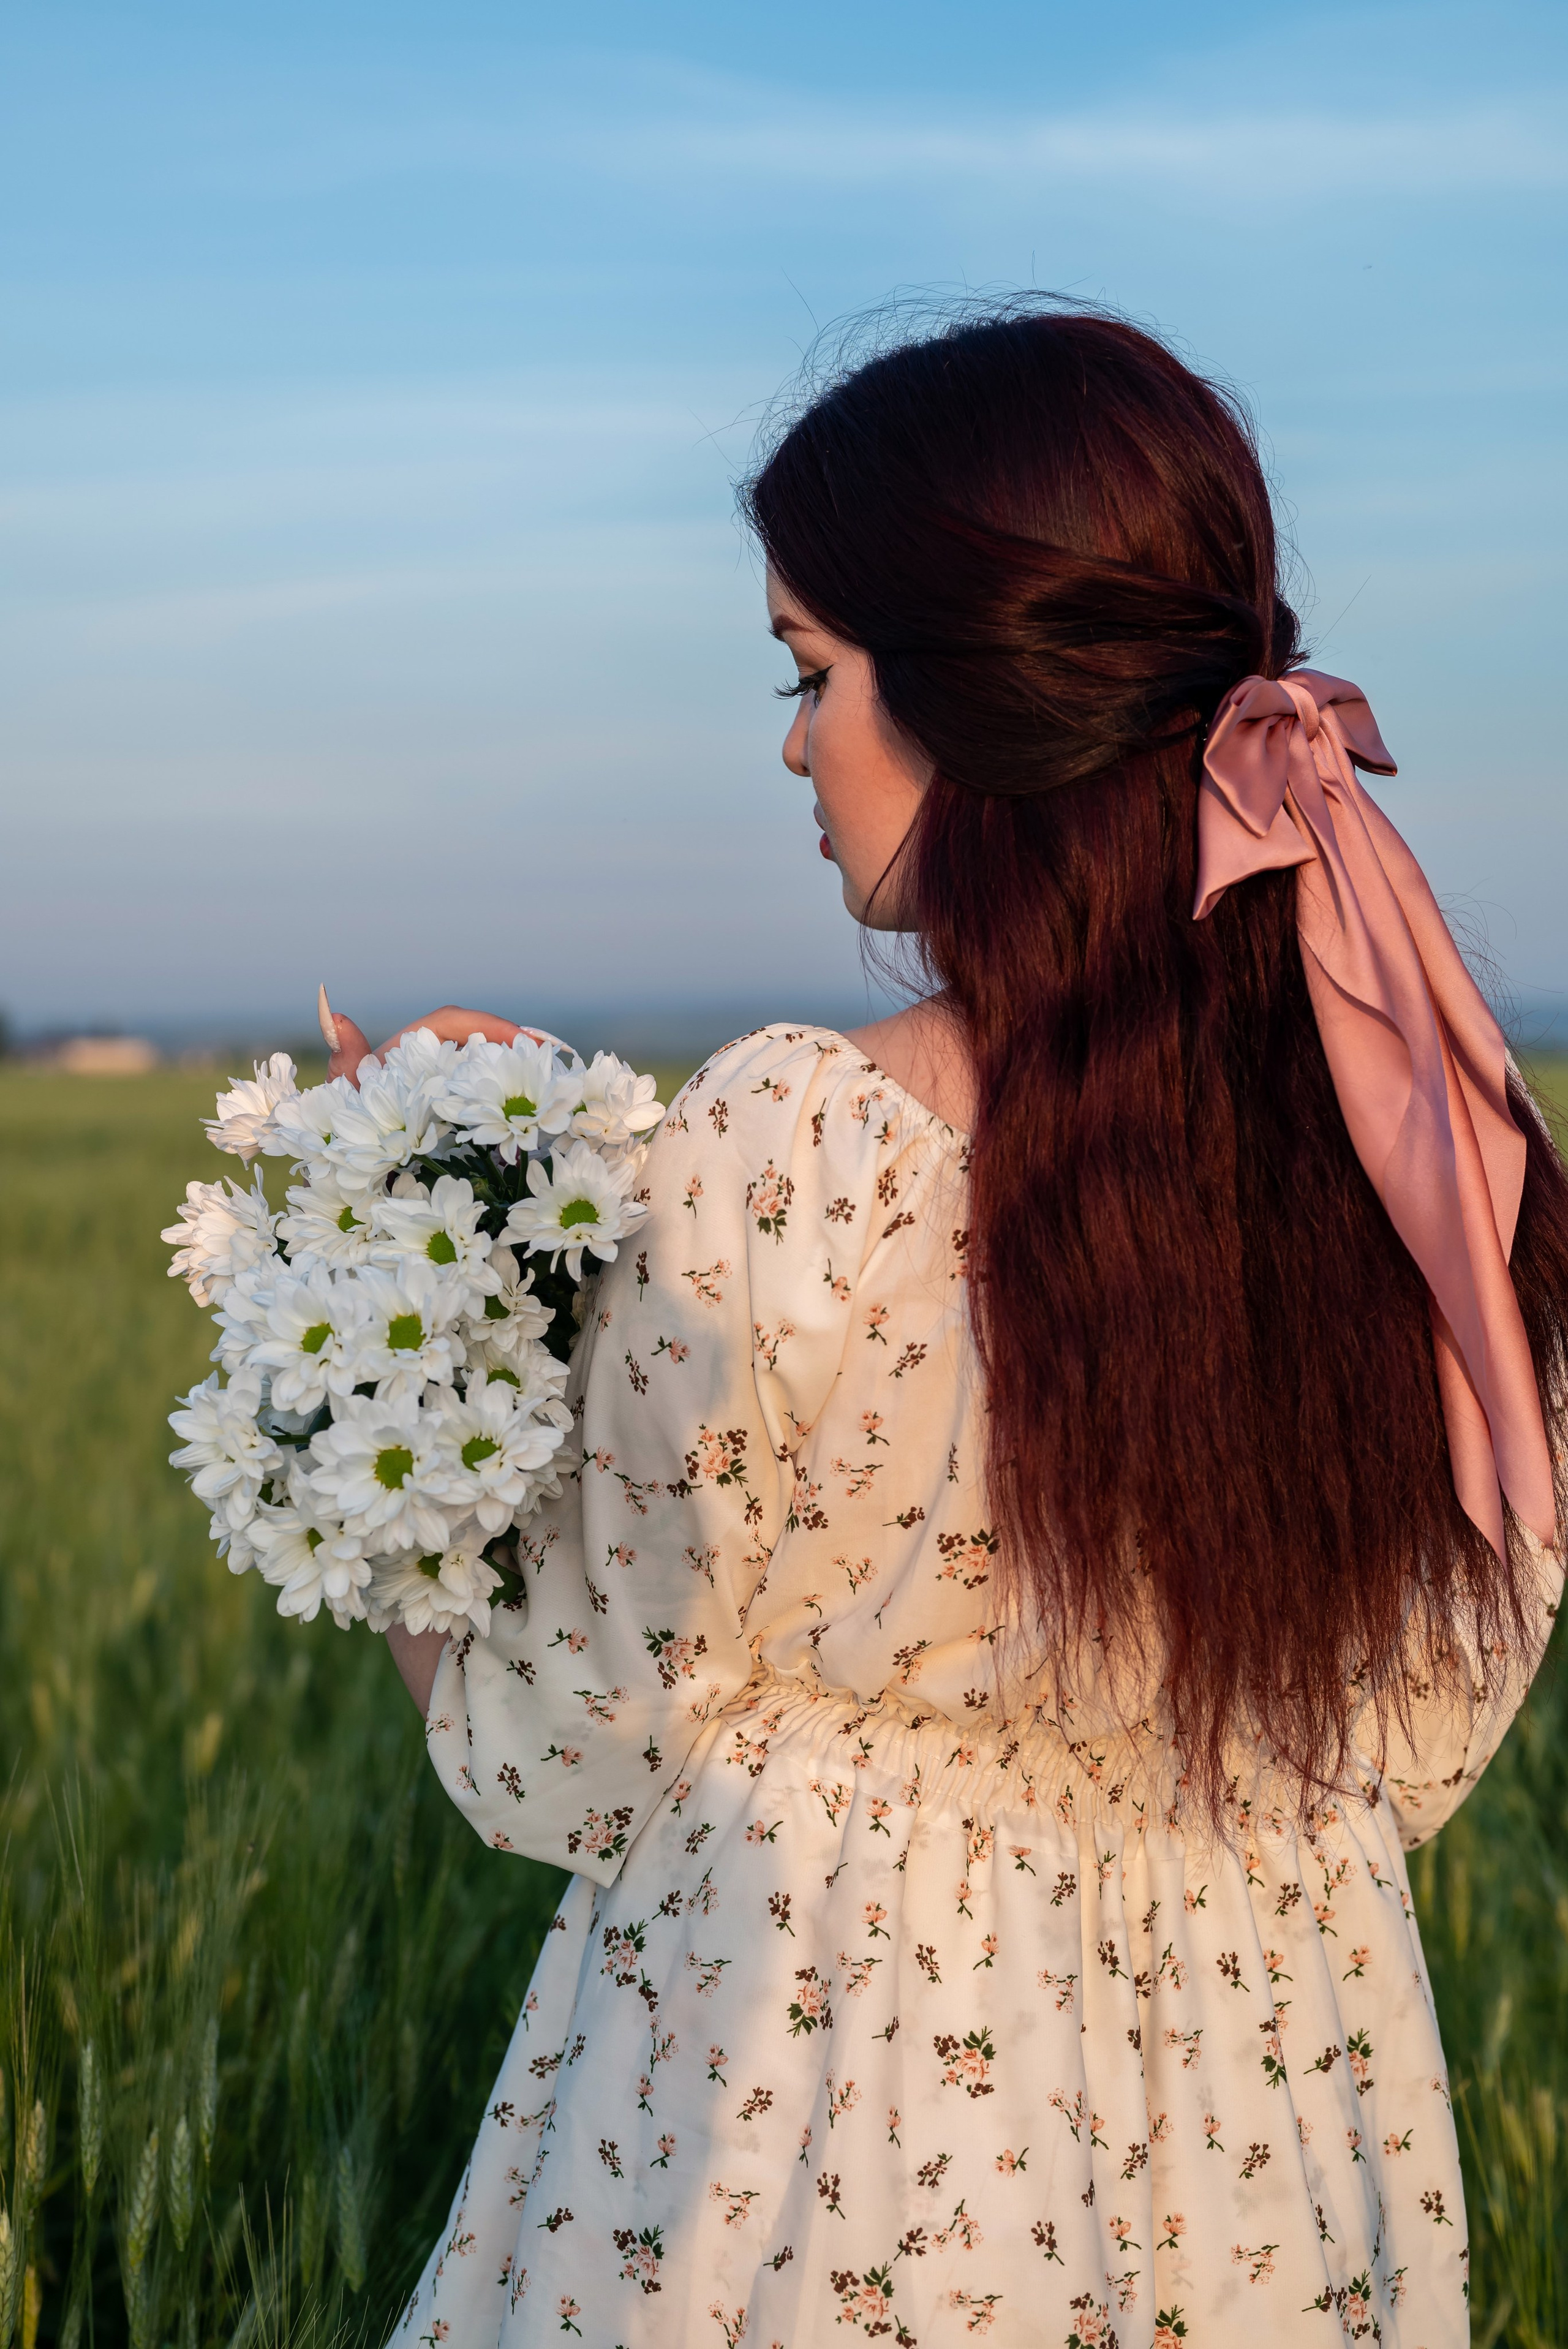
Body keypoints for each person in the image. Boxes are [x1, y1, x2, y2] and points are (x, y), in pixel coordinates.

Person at [328, 304, 1567, 2347]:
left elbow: (558, 1742)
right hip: (1273, 2158)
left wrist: (421, 1306)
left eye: (811, 672)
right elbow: (1420, 1739)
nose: (793, 740)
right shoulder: (1435, 1161)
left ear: (980, 695)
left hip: (818, 2147)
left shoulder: (794, 1154)